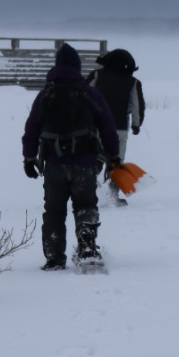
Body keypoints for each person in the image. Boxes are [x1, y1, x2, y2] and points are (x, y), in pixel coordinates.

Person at [22, 43, 120, 270]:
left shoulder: (45, 94)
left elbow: (31, 128)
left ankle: (54, 257)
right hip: (85, 163)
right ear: (77, 68)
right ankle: (87, 247)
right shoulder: (90, 93)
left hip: (54, 165)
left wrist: (28, 158)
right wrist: (113, 156)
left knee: (54, 211)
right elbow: (108, 127)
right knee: (85, 205)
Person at [85, 48, 146, 206]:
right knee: (116, 161)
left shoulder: (96, 75)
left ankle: (88, 190)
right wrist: (136, 125)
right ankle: (112, 195)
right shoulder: (133, 82)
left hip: (96, 125)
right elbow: (136, 105)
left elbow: (83, 96)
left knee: (95, 156)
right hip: (119, 128)